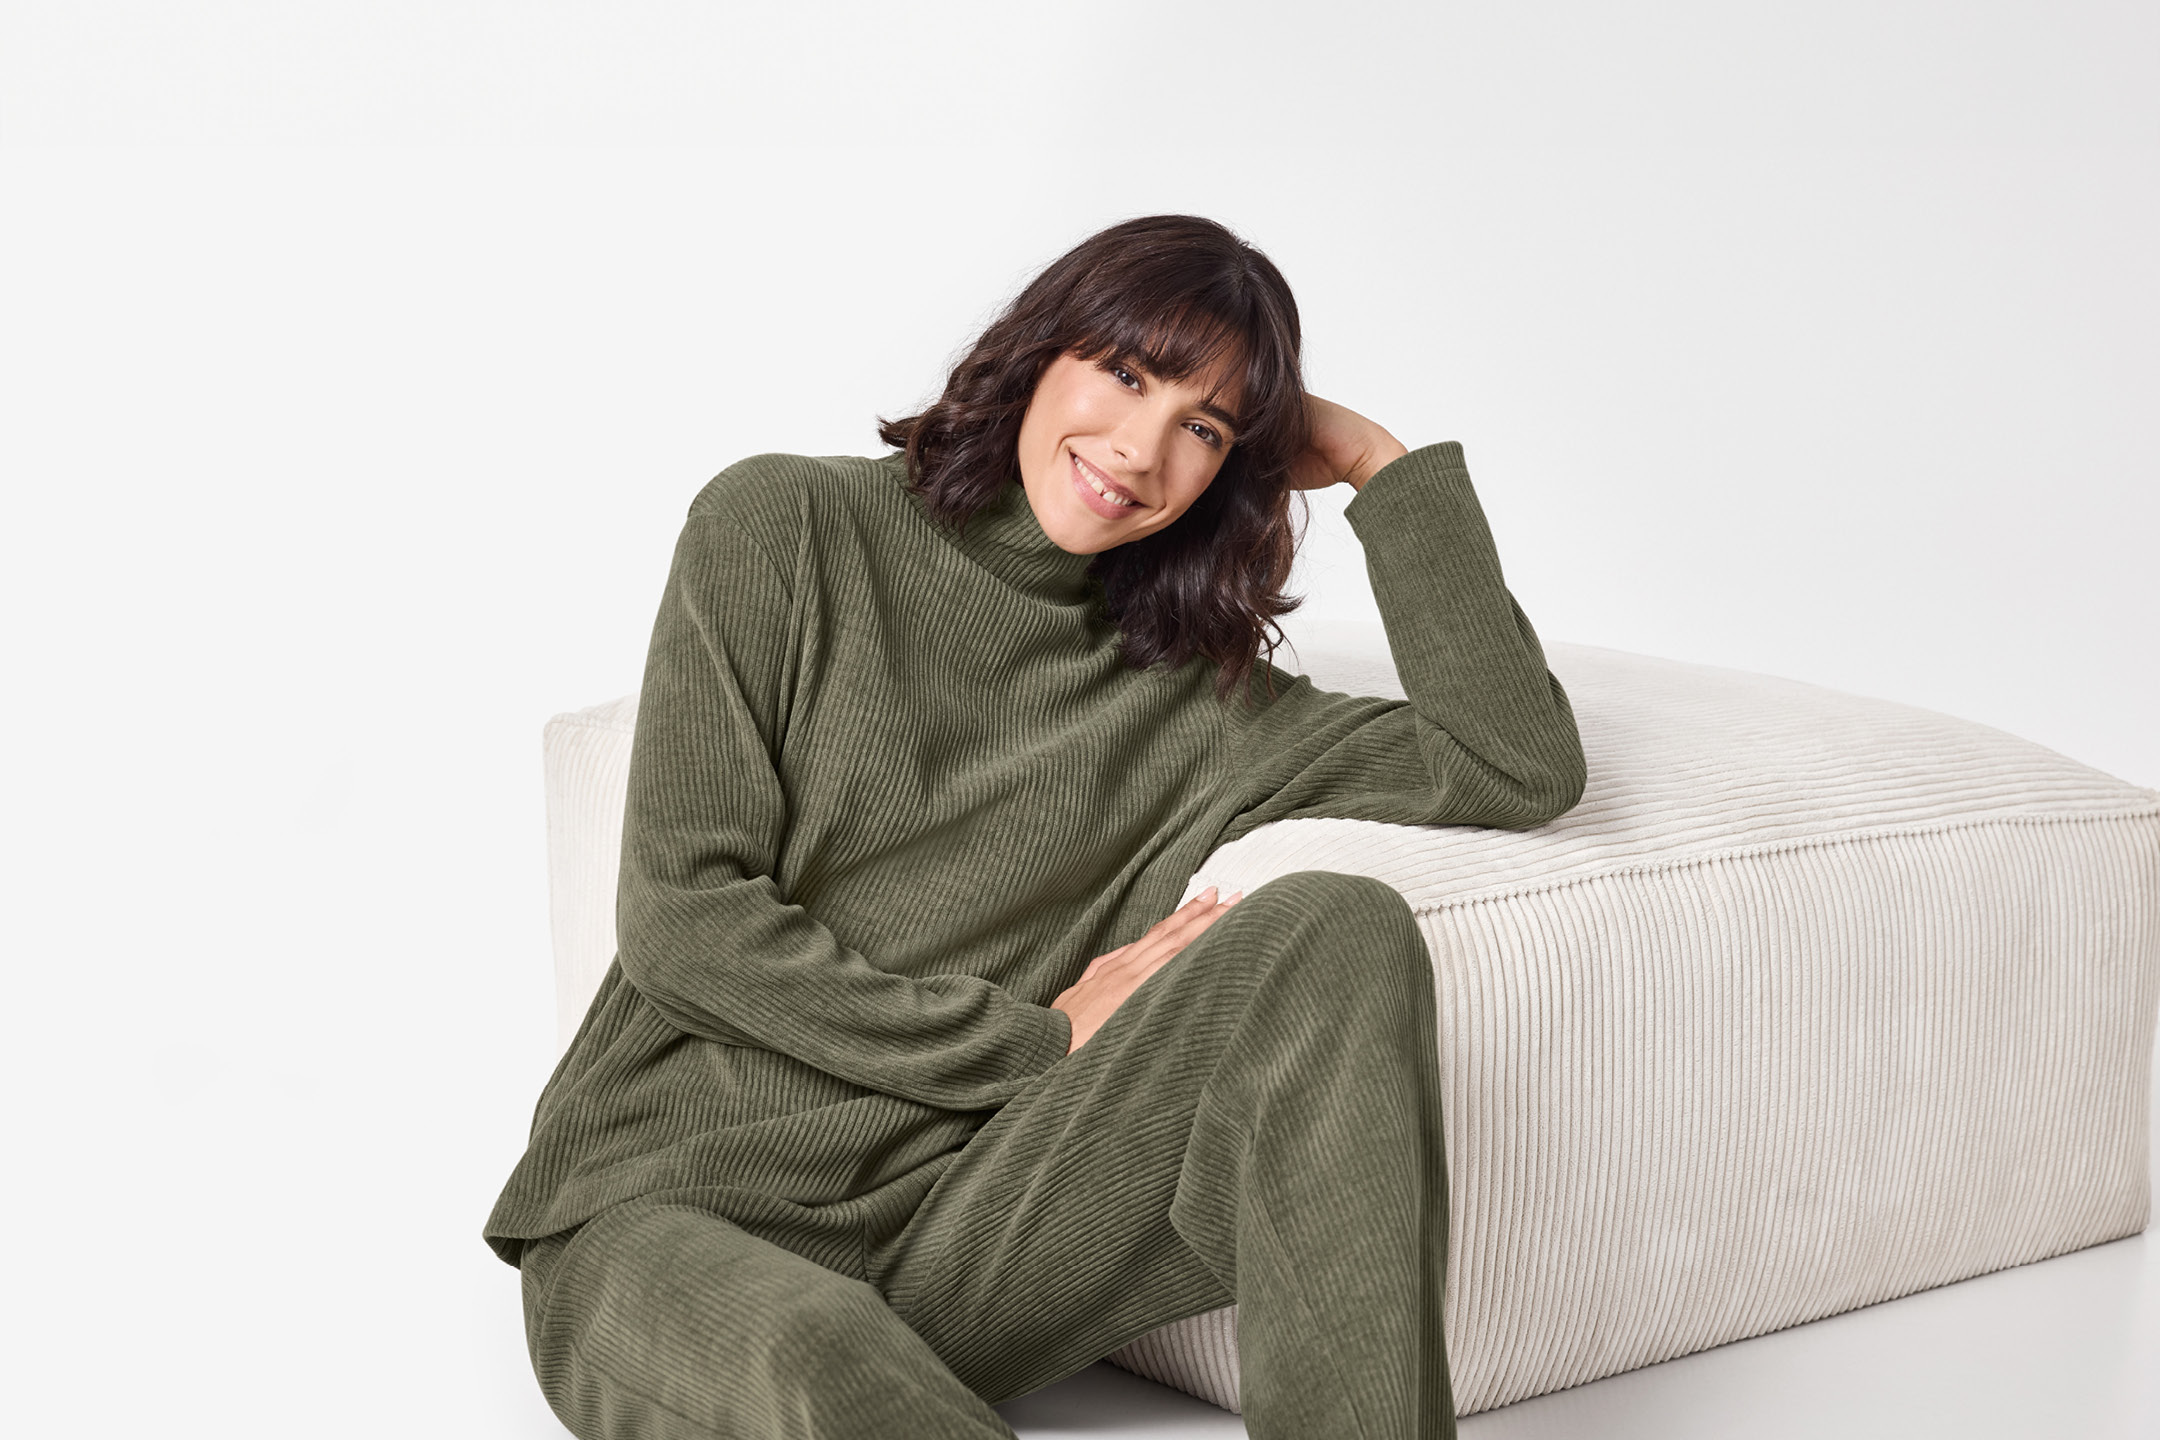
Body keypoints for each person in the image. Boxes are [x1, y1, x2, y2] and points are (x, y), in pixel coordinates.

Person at [486, 214, 1588, 1440]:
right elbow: (686, 923)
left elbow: (1513, 763)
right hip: (667, 1218)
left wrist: (1381, 465)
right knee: (822, 1358)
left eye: (1205, 429)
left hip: (959, 1248)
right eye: (1127, 374)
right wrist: (1033, 1041)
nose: (1140, 449)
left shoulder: (1207, 705)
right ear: (1040, 349)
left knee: (1339, 929)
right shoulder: (783, 527)